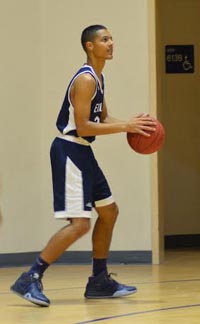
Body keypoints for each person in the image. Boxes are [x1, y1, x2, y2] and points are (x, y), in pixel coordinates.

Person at [10, 25, 156, 307]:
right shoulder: (86, 79)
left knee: (109, 212)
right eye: (104, 39)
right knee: (79, 224)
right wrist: (126, 126)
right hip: (69, 149)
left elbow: (100, 118)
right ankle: (31, 277)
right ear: (90, 46)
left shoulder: (99, 77)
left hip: (83, 151)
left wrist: (134, 124)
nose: (111, 43)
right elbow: (83, 125)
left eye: (112, 38)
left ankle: (99, 281)